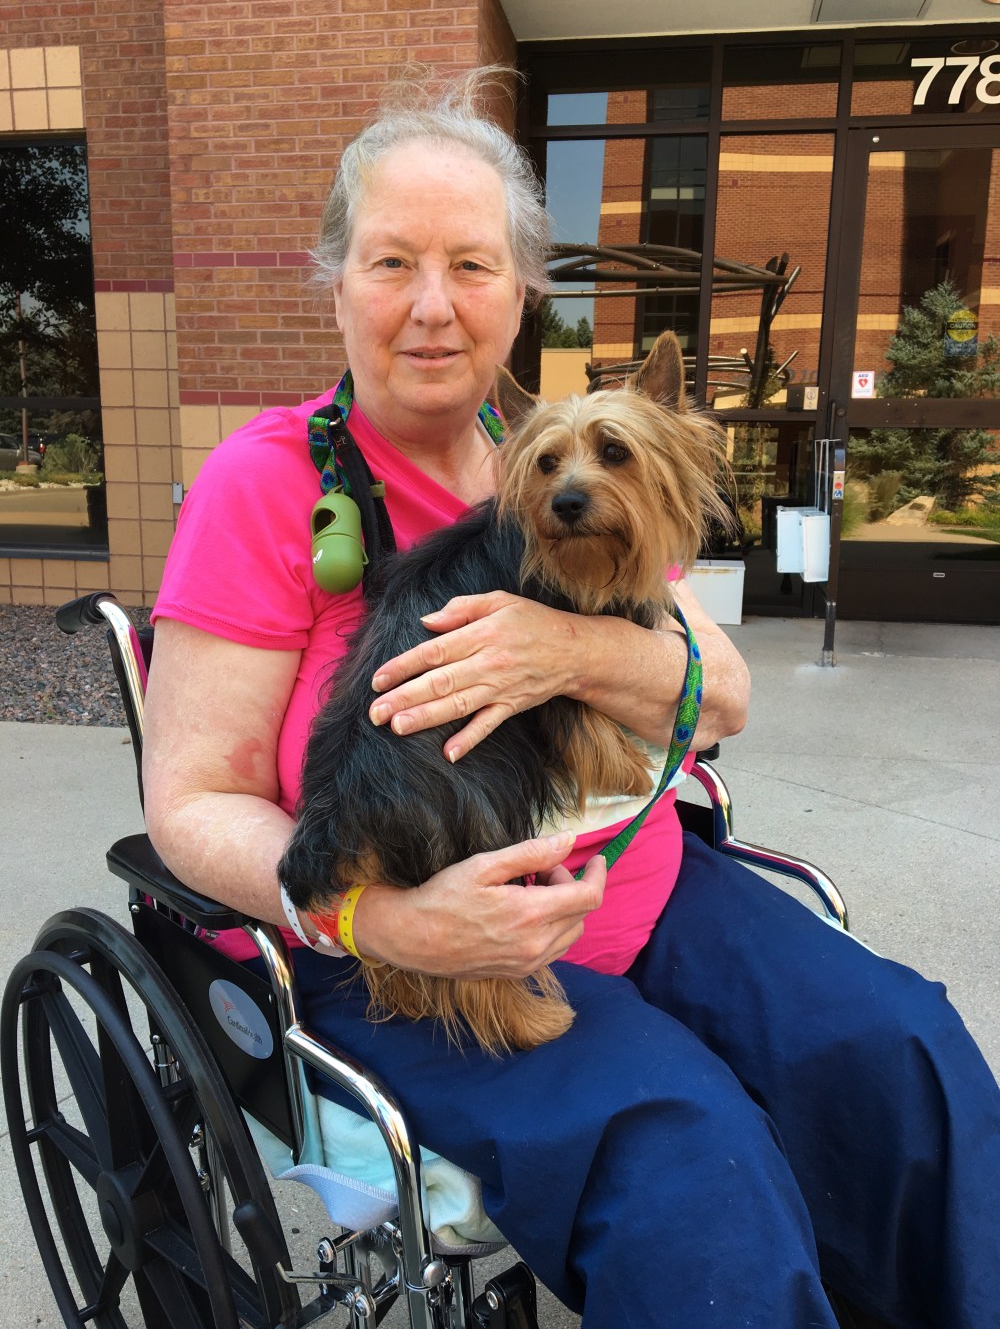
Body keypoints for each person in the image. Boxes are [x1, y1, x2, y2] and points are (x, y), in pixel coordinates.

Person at [143, 68, 1000, 1328]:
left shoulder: (569, 457)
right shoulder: (261, 483)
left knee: (898, 1055)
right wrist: (384, 919)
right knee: (693, 1176)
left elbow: (721, 695)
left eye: (471, 266)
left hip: (642, 886)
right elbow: (190, 803)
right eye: (391, 264)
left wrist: (569, 651)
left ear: (519, 291)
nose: (432, 306)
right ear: (335, 283)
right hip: (403, 946)